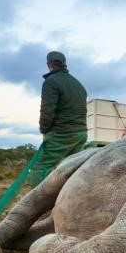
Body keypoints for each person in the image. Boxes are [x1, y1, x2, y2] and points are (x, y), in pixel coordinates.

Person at [27, 51, 88, 187]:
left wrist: (44, 129)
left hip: (62, 134)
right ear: (64, 64)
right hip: (81, 133)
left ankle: (38, 205)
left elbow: (47, 111)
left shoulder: (51, 82)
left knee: (39, 168)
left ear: (49, 65)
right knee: (72, 169)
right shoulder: (78, 84)